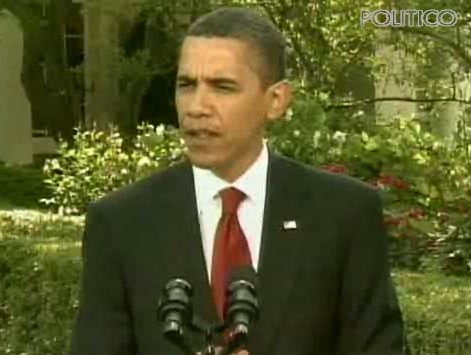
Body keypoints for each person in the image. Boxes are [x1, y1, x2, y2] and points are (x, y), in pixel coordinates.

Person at [69, 6, 407, 355]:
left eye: (222, 87)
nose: (196, 106)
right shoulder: (121, 223)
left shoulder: (345, 214)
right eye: (186, 85)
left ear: (276, 100)